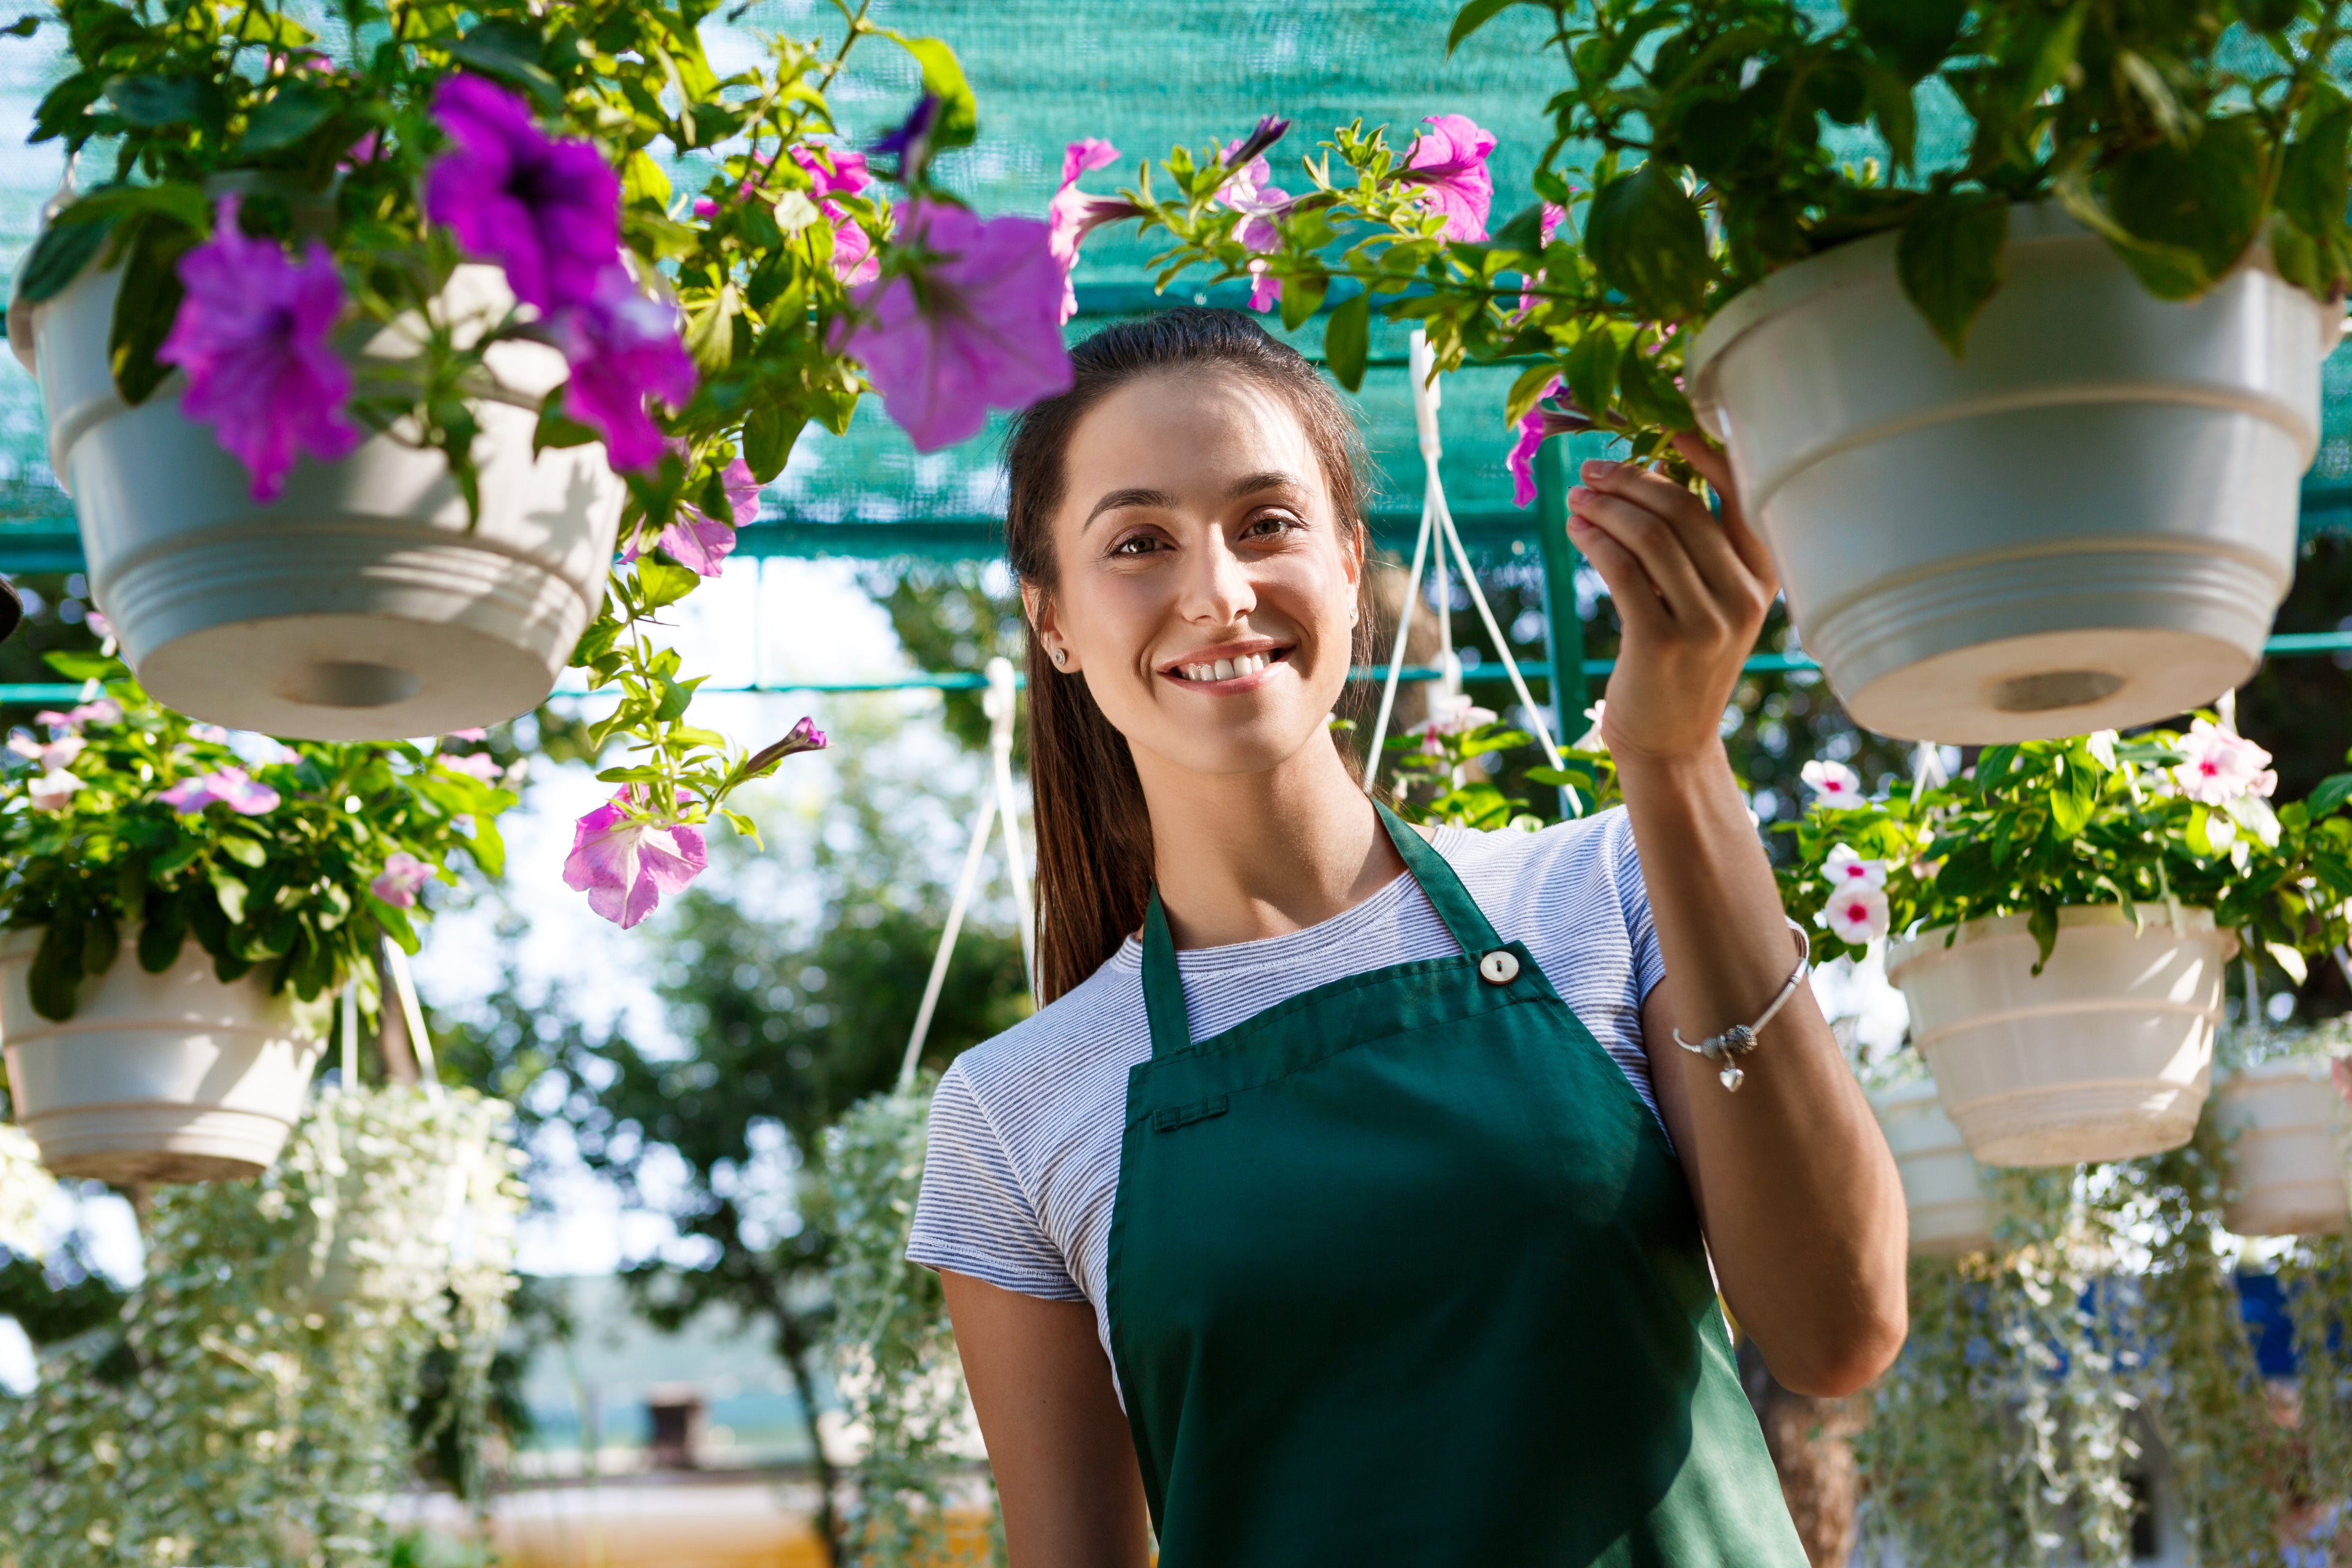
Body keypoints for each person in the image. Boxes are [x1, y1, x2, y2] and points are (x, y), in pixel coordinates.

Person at [907, 309, 1907, 1567]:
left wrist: (1675, 757)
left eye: (1267, 523)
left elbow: (1836, 1327)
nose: (1218, 592)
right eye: (1141, 542)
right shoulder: (1013, 1111)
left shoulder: (1615, 882)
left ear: (1348, 564)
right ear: (1052, 621)